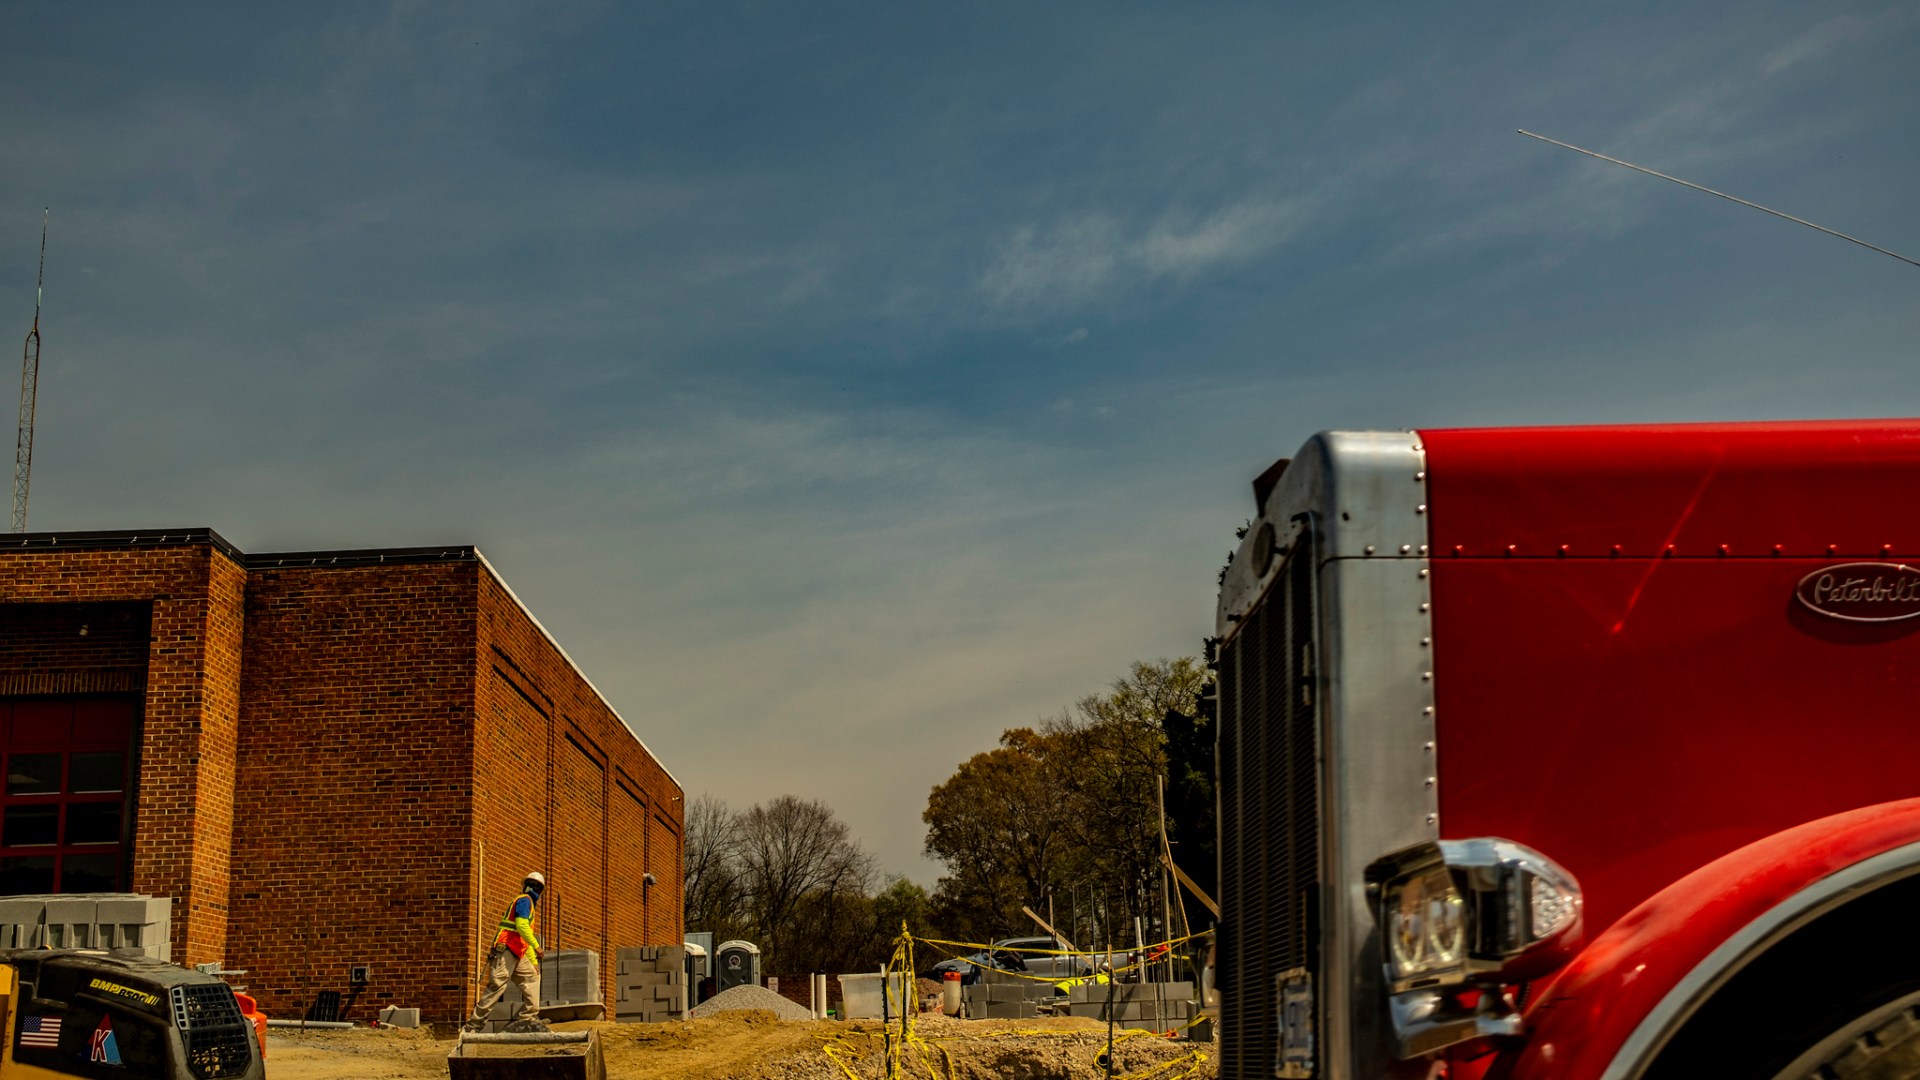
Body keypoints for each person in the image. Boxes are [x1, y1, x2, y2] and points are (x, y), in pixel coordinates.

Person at [465, 871, 546, 1030]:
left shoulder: (528, 904)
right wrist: (537, 947)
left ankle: (527, 1019)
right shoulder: (524, 901)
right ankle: (473, 1026)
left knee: (533, 976)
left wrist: (533, 962)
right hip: (506, 949)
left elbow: (524, 937)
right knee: (497, 987)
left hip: (518, 952)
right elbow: (521, 925)